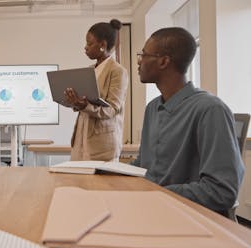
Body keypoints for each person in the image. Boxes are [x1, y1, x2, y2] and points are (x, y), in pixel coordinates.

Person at [131, 27, 244, 215]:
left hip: (191, 218)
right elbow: (144, 164)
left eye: (143, 54)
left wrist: (157, 193)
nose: (139, 61)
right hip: (156, 209)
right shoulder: (152, 108)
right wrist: (109, 171)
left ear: (164, 61)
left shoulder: (210, 110)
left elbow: (222, 191)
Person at [65, 19, 128, 161]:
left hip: (103, 144)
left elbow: (112, 110)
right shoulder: (89, 70)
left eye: (89, 43)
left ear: (102, 45)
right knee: (78, 181)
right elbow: (84, 105)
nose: (85, 48)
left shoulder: (117, 71)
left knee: (98, 183)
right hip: (81, 137)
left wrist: (85, 106)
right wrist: (75, 102)